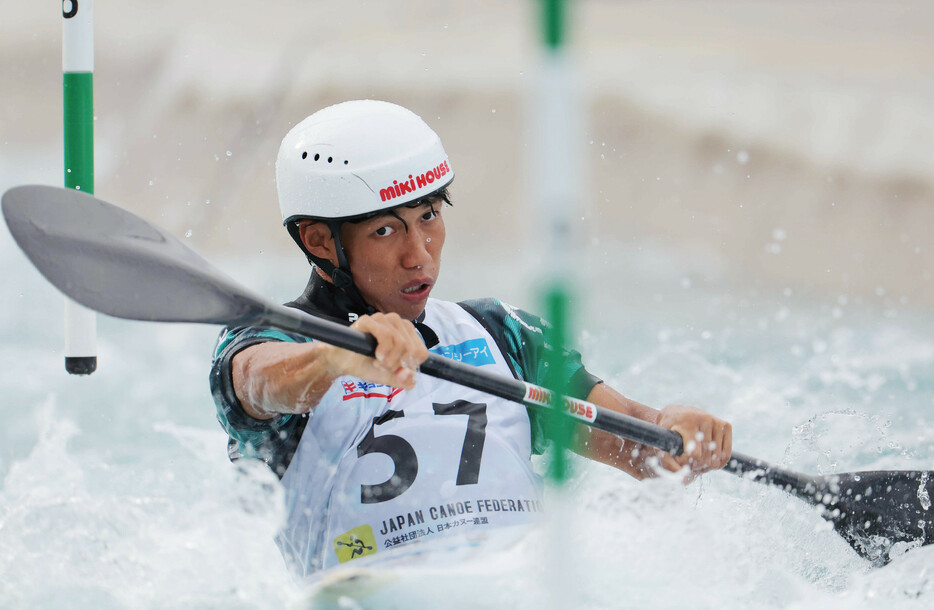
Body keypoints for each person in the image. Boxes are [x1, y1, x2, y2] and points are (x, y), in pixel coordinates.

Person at [209, 100, 732, 577]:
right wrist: (334, 358)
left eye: (429, 217)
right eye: (386, 231)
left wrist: (677, 434)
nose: (420, 254)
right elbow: (259, 382)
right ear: (320, 241)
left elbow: (640, 449)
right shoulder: (269, 340)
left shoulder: (501, 333)